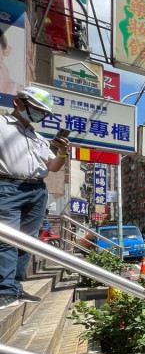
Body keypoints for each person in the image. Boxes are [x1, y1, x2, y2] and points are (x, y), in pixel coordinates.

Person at [0, 87, 68, 310]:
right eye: (37, 109)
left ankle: (15, 286)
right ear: (19, 103)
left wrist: (62, 152)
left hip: (37, 190)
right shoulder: (2, 125)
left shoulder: (37, 137)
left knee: (27, 241)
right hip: (8, 186)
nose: (41, 115)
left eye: (44, 113)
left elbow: (53, 167)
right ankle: (4, 291)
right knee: (7, 240)